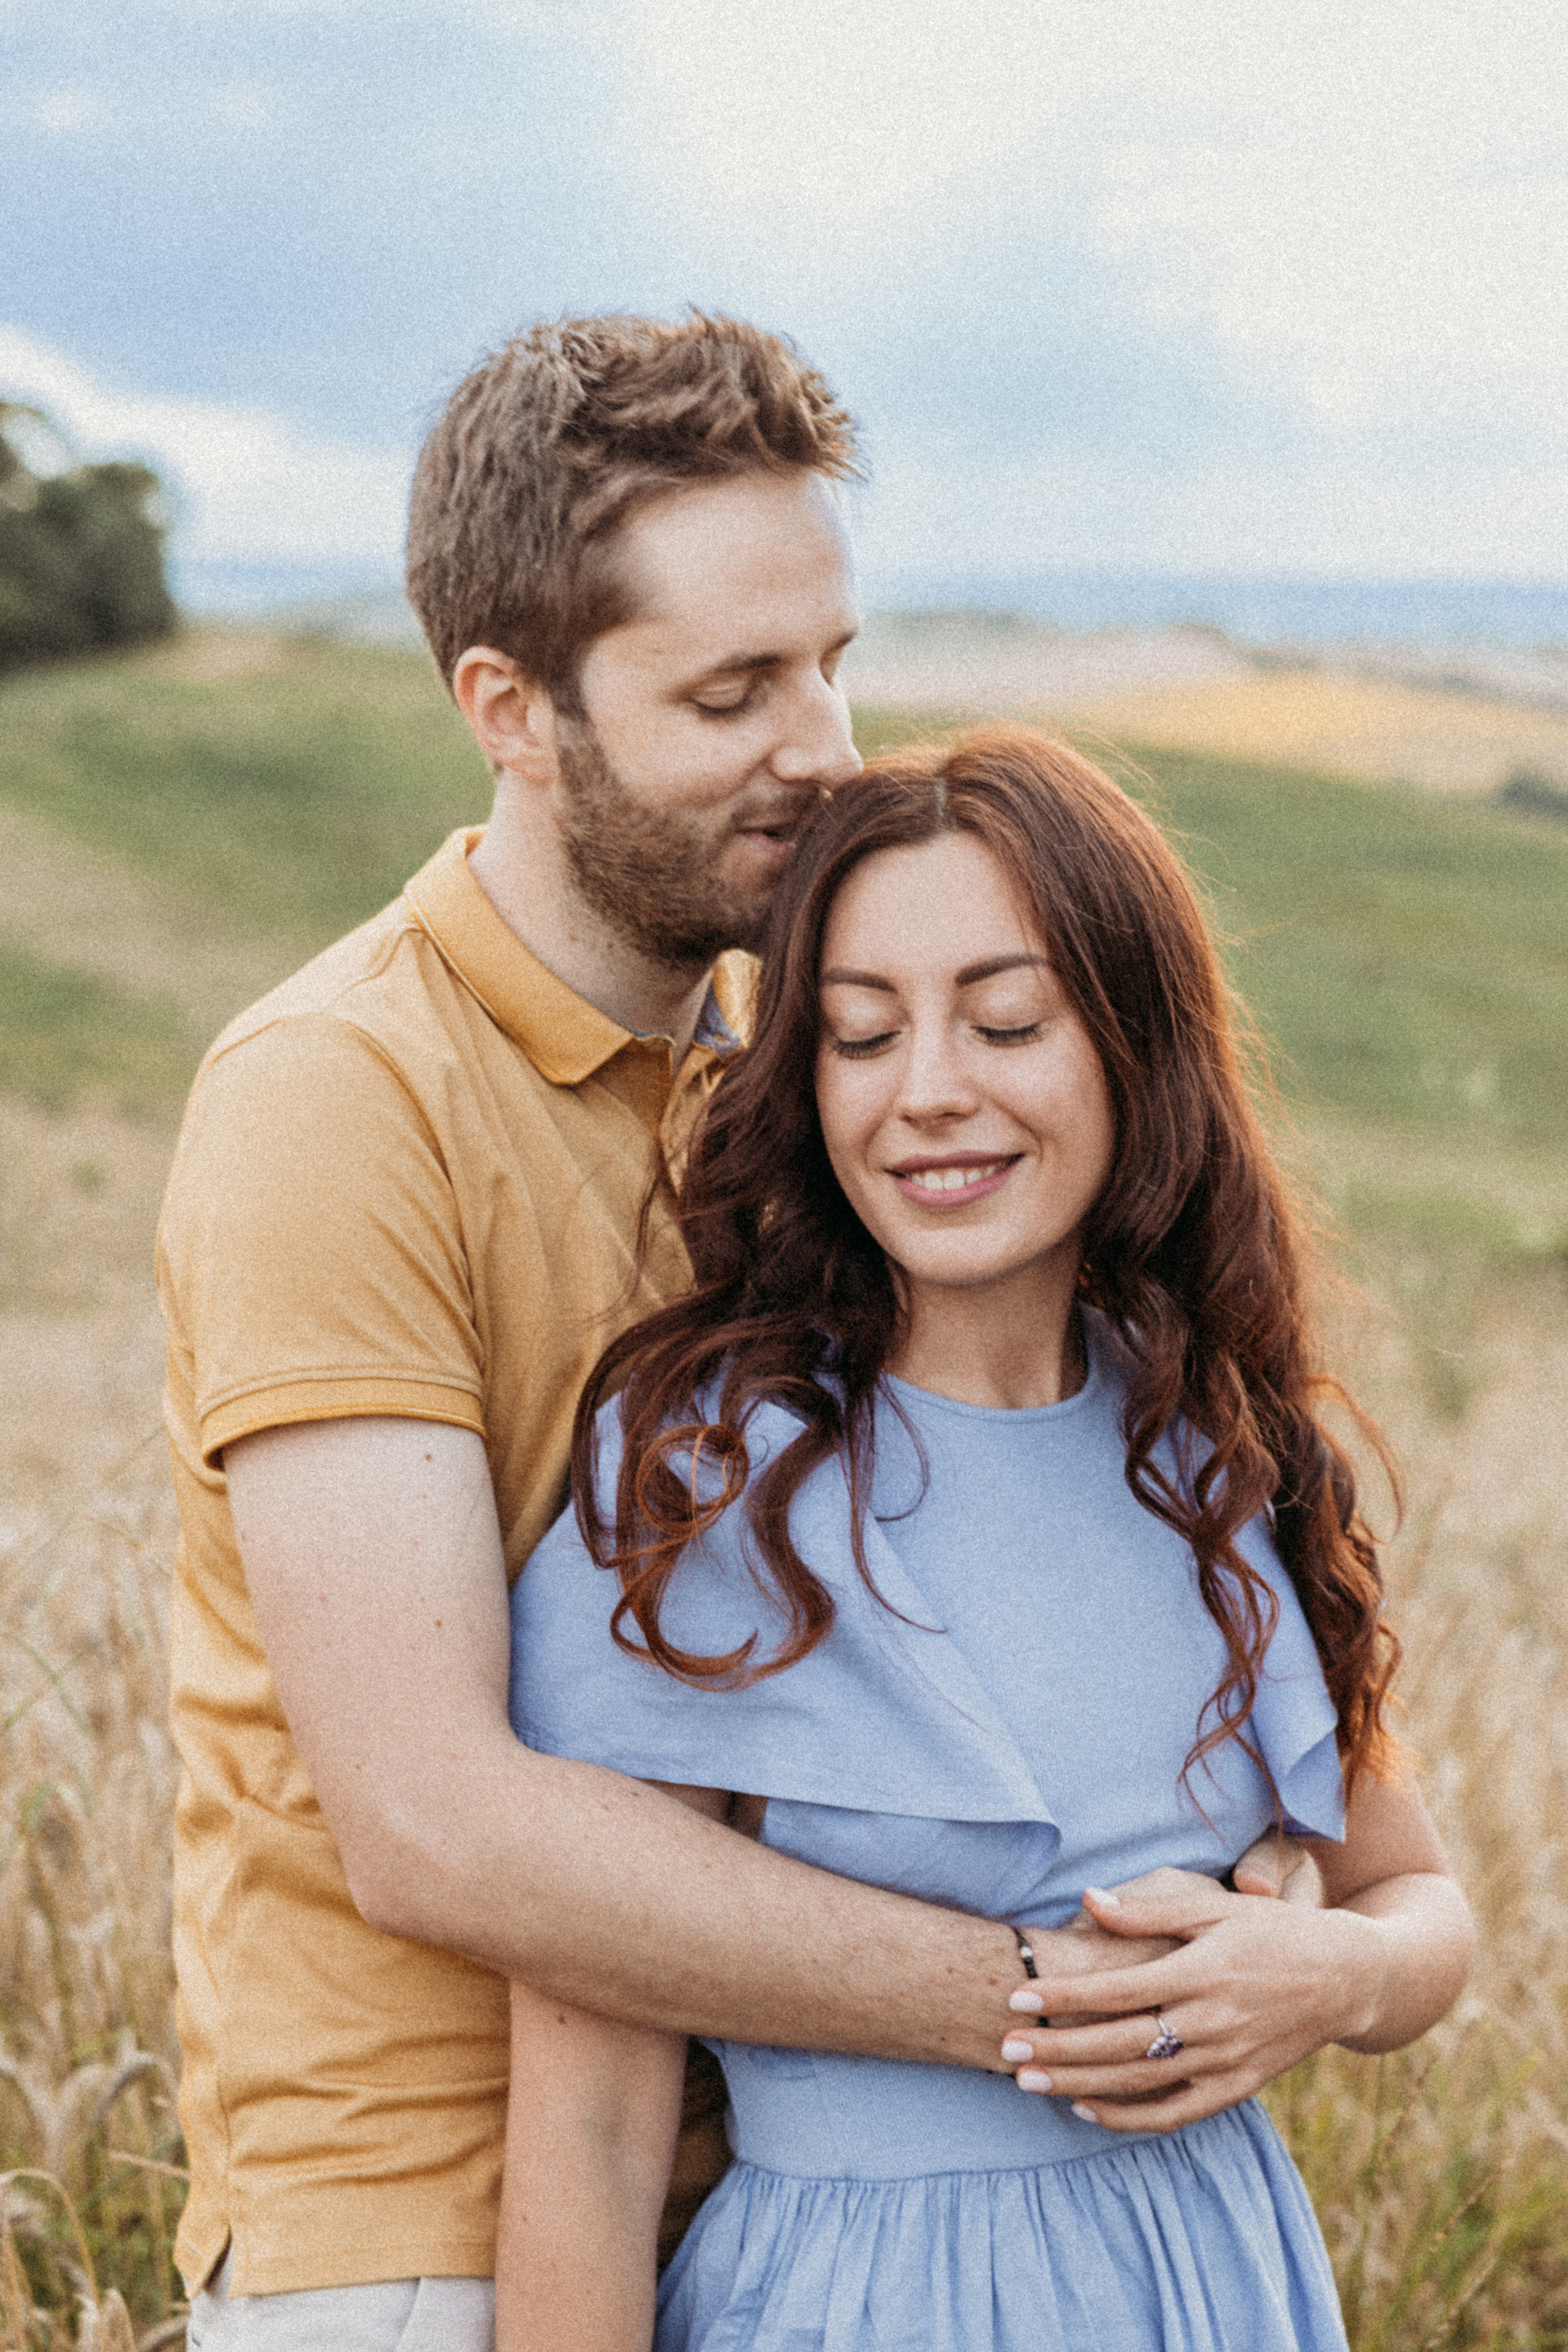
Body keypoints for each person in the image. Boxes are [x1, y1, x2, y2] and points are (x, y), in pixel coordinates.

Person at [162, 318, 1263, 2352]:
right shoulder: (338, 1094)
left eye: (833, 657)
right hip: (425, 2227)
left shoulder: (803, 1072)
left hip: (786, 2195)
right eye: (733, 689)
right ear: (512, 707)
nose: (825, 745)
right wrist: (1062, 2007)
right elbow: (432, 1824)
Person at [502, 726, 1474, 2352]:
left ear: (1132, 1049)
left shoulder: (1209, 1447)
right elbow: (590, 2131)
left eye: (1007, 1020)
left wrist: (1324, 1982)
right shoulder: (700, 1478)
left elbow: (1419, 1900)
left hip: (1209, 2281)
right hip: (850, 2304)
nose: (930, 1092)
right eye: (862, 1035)